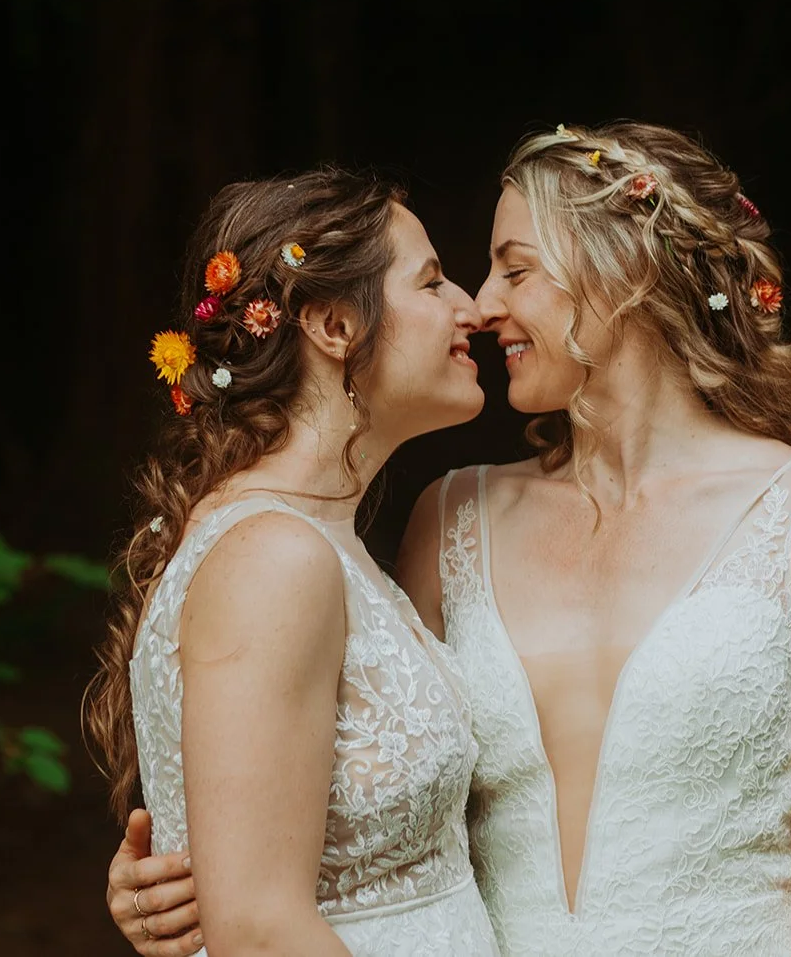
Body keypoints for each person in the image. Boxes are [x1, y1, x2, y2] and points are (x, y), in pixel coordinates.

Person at [106, 123, 791, 955]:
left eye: (514, 269)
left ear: (624, 274)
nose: (483, 305)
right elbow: (350, 803)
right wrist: (189, 870)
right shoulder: (453, 517)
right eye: (460, 275)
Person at [86, 169, 500, 956]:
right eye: (433, 281)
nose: (470, 308)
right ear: (335, 325)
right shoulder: (273, 559)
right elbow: (261, 930)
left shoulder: (322, 545)